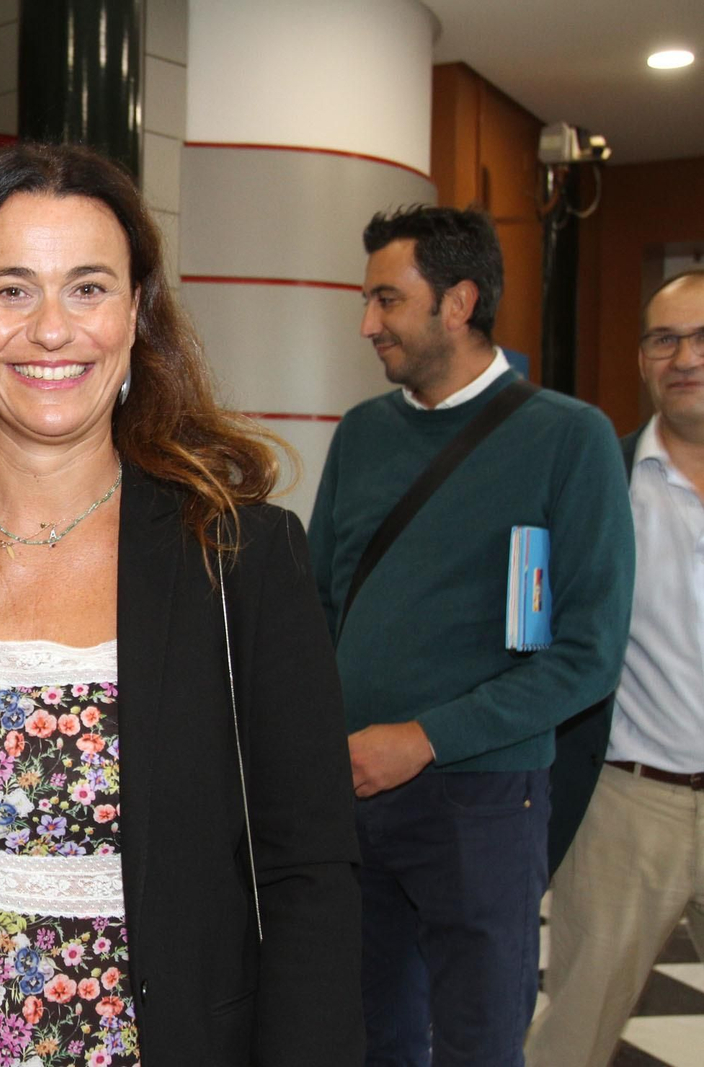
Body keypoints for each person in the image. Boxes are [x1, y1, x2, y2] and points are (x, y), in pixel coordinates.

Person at [0, 142, 363, 1066]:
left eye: (88, 288)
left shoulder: (239, 556)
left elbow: (310, 874)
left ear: (135, 312)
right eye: (11, 289)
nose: (52, 329)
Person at [308, 205, 635, 1066]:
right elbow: (317, 607)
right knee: (369, 1034)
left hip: (484, 801)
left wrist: (421, 738)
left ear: (457, 302)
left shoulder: (570, 438)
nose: (367, 323)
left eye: (387, 298)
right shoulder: (362, 433)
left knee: (479, 1042)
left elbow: (588, 655)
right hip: (352, 790)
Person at [526, 269, 704, 1067]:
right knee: (575, 1033)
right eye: (665, 339)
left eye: (702, 338)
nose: (685, 357)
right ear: (641, 359)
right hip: (628, 803)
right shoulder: (604, 482)